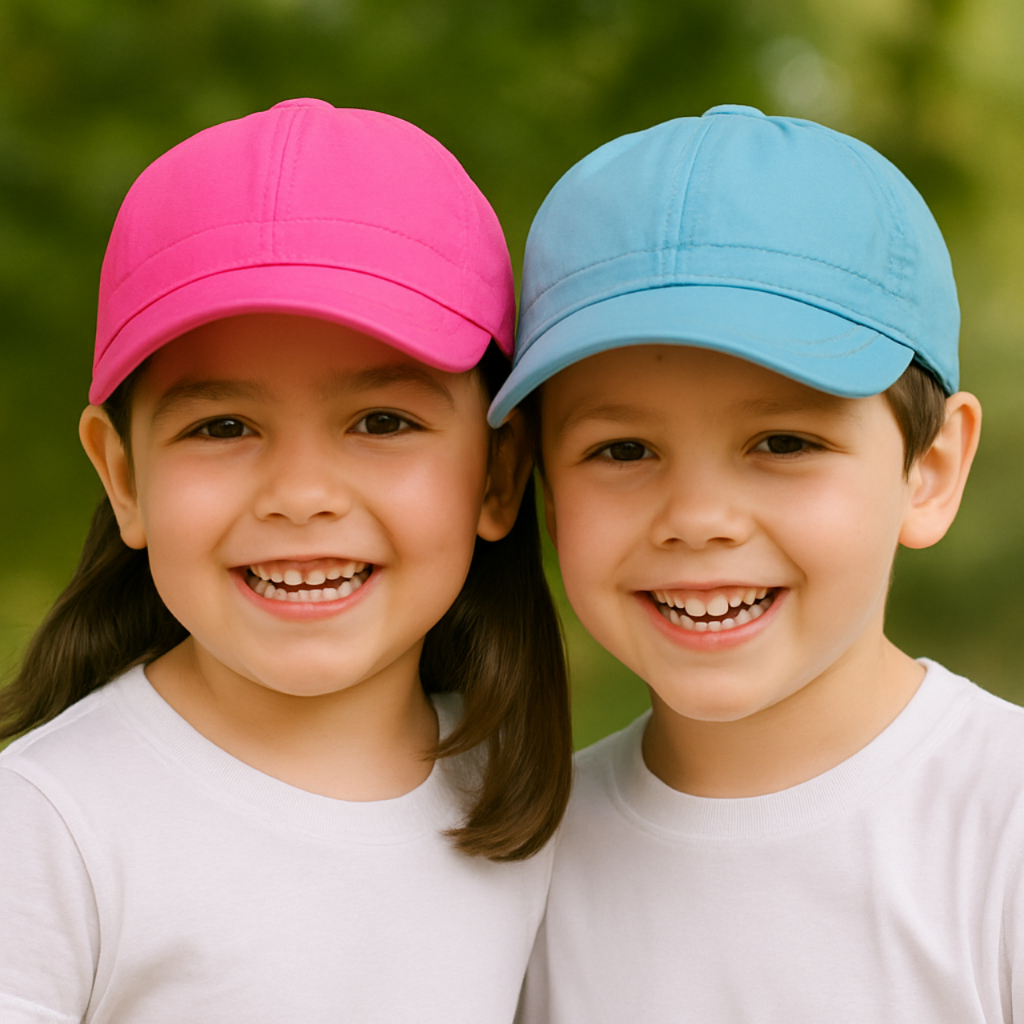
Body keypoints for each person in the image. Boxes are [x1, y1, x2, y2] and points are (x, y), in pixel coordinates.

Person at [0, 98, 572, 1023]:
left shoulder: (535, 802)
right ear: (124, 478)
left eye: (383, 423)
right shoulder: (46, 826)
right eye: (222, 427)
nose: (301, 493)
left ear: (499, 475)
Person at [488, 105, 1023, 1022]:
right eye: (622, 450)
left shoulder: (1001, 829)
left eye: (781, 442)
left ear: (929, 471)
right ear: (540, 485)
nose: (697, 520)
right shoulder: (512, 866)